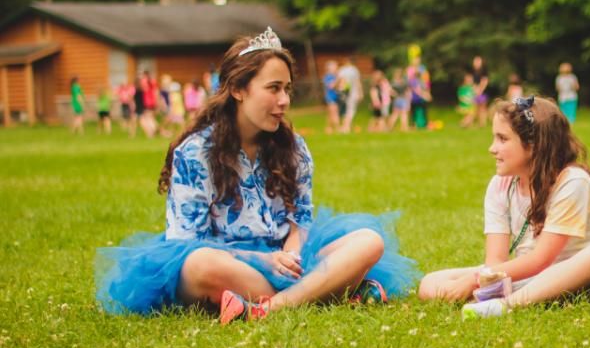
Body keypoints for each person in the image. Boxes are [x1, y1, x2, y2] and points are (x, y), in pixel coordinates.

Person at [96, 27, 420, 322]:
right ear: (238, 90)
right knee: (199, 266)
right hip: (231, 264)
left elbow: (301, 220)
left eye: (287, 89)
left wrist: (291, 254)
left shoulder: (293, 149)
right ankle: (330, 290)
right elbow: (186, 242)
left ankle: (270, 307)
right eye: (273, 88)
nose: (284, 100)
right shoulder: (196, 153)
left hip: (289, 262)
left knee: (368, 241)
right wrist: (261, 260)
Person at [417, 96, 590, 318]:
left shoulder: (572, 182)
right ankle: (501, 300)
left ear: (534, 145)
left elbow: (541, 259)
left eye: (502, 139)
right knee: (429, 283)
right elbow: (496, 261)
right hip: (527, 277)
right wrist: (485, 280)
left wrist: (474, 281)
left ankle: (505, 306)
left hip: (579, 275)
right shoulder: (501, 185)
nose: (492, 148)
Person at [337, 57, 363, 133]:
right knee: (351, 110)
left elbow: (340, 80)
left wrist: (337, 88)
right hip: (353, 92)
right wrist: (361, 92)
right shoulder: (355, 70)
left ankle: (344, 127)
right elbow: (358, 82)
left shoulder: (342, 70)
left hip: (343, 92)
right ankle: (346, 127)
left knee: (344, 110)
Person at [408, 56, 431, 129]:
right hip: (414, 96)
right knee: (413, 111)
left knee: (424, 110)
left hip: (421, 96)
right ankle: (413, 125)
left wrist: (427, 92)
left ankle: (425, 124)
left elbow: (427, 82)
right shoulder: (410, 70)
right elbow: (410, 85)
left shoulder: (422, 69)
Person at [471, 56, 490, 127]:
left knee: (482, 108)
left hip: (482, 92)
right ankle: (479, 123)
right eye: (475, 61)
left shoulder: (483, 71)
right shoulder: (475, 72)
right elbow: (474, 83)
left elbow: (485, 81)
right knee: (476, 108)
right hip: (476, 92)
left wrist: (480, 90)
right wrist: (474, 89)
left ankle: (483, 123)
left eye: (478, 61)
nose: (476, 63)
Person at [322, 60, 340, 134]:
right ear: (329, 68)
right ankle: (338, 128)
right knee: (334, 113)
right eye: (334, 66)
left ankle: (328, 129)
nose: (336, 68)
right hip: (330, 97)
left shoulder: (334, 76)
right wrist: (338, 80)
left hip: (335, 97)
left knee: (330, 114)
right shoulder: (328, 76)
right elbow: (331, 86)